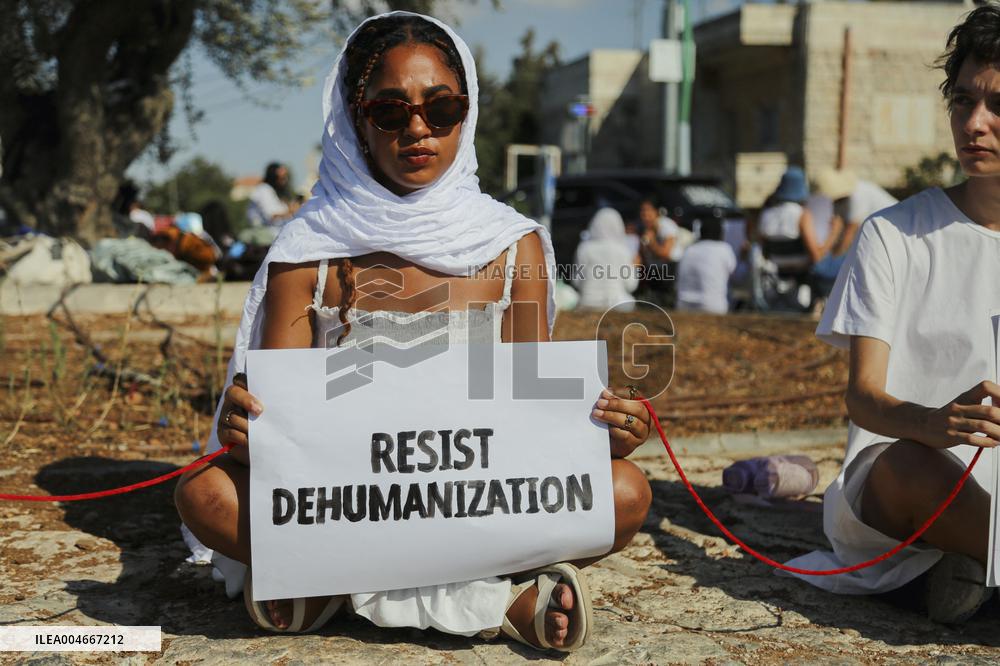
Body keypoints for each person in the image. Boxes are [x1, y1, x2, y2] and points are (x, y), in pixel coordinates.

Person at [173, 12, 652, 652]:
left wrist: (609, 429)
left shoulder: (513, 247)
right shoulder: (308, 253)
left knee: (626, 492)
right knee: (203, 495)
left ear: (467, 110)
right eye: (391, 112)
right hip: (346, 501)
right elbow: (274, 425)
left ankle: (329, 585)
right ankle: (501, 597)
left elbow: (534, 414)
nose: (418, 129)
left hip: (475, 498)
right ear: (356, 121)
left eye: (441, 107)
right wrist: (246, 425)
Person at [784, 4, 1000, 624]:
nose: (975, 123)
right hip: (904, 480)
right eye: (963, 101)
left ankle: (966, 571)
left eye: (997, 105)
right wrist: (935, 423)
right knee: (913, 466)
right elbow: (865, 400)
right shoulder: (894, 234)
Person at [811, 167, 897, 296]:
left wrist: (833, 260)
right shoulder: (841, 200)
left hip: (893, 234)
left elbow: (849, 234)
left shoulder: (858, 195)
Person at [758, 166, 834, 265]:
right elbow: (817, 257)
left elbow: (763, 251)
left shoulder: (766, 215)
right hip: (801, 275)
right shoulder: (802, 215)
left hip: (774, 273)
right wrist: (833, 233)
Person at [572, 208, 640, 311]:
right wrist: (635, 268)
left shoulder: (584, 248)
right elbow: (631, 285)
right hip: (617, 304)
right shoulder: (623, 250)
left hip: (588, 302)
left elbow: (576, 281)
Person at [675, 217, 736, 314]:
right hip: (712, 307)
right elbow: (735, 276)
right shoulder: (724, 248)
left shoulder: (689, 249)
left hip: (684, 305)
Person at [246, 162, 296, 228]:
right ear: (274, 177)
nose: (285, 180)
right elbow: (271, 216)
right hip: (265, 234)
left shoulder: (275, 192)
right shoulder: (263, 189)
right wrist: (291, 212)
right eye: (282, 178)